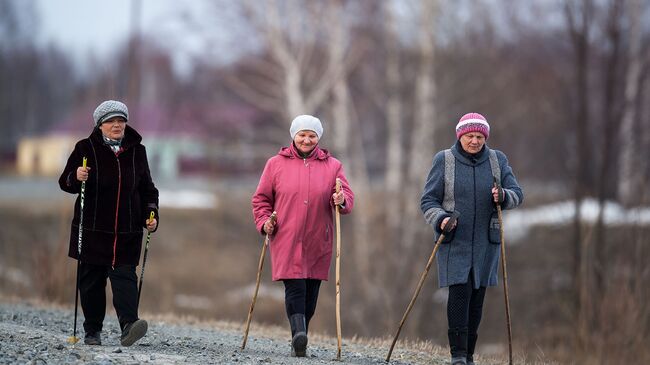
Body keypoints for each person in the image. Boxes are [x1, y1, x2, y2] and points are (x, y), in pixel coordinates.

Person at [420, 113, 523, 365]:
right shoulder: (444, 160)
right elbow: (428, 201)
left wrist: (504, 196)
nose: (475, 141)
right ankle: (457, 355)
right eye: (470, 136)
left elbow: (518, 194)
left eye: (479, 136)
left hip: (486, 242)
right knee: (459, 293)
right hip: (455, 240)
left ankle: (468, 355)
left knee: (477, 297)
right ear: (460, 136)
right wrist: (441, 219)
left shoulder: (498, 161)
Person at [58, 100, 159, 346]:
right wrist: (76, 177)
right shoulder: (85, 148)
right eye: (111, 121)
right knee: (91, 281)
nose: (117, 125)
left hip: (127, 231)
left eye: (121, 120)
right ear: (100, 125)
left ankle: (129, 326)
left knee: (125, 277)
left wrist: (151, 213)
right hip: (92, 230)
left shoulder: (137, 150)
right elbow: (65, 182)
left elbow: (148, 189)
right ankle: (92, 331)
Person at [252, 114, 354, 357]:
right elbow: (261, 199)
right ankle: (298, 335)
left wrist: (340, 200)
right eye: (302, 135)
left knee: (311, 292)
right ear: (293, 136)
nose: (307, 140)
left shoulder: (333, 166)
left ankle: (301, 335)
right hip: (286, 235)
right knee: (294, 286)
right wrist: (264, 221)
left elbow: (347, 198)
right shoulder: (275, 164)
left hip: (319, 237)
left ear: (318, 138)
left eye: (312, 135)